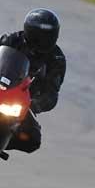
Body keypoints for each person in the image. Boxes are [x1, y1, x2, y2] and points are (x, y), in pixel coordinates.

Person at [0, 9, 66, 154]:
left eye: (48, 36)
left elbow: (52, 92)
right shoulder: (11, 40)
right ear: (29, 32)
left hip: (21, 102)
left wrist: (35, 104)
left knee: (32, 139)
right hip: (2, 88)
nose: (43, 40)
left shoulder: (56, 59)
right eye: (39, 36)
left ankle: (2, 143)